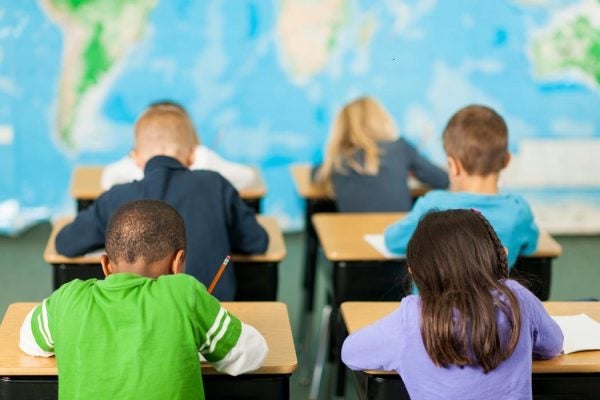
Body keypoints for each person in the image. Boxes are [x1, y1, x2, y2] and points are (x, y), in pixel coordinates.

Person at [20, 200, 268, 399]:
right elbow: (254, 354)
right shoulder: (183, 294)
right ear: (178, 262)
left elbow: (28, 341)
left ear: (105, 264)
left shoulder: (68, 298)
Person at [342, 209, 563, 400]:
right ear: (494, 257)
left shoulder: (410, 318)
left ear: (414, 271)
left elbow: (350, 353)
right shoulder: (517, 297)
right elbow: (553, 345)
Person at [56, 104, 268, 300]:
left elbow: (66, 243)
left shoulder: (117, 197)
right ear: (193, 154)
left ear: (136, 157)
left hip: (143, 325)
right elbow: (258, 241)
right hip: (212, 319)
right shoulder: (215, 185)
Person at [384, 104, 538, 267]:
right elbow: (530, 247)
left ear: (453, 166)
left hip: (430, 294)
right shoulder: (518, 210)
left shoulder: (431, 206)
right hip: (490, 294)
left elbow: (392, 241)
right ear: (506, 161)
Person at [313, 96, 448, 212]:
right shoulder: (400, 148)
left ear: (342, 129)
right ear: (381, 120)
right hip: (398, 238)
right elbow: (442, 179)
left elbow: (315, 175)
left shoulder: (337, 159)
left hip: (353, 237)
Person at [101, 101, 256, 191]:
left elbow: (107, 181)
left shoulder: (134, 165)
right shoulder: (203, 161)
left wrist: (136, 160)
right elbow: (247, 177)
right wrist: (203, 160)